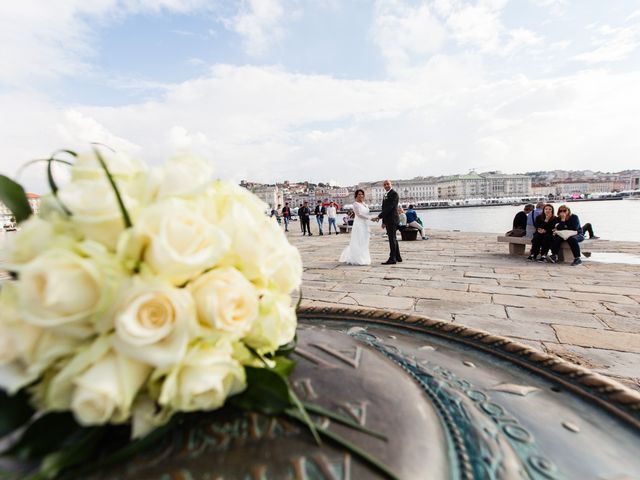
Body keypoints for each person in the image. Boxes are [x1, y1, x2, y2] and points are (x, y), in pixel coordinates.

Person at [340, 190, 375, 265]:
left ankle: (364, 257)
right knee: (359, 240)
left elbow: (366, 213)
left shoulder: (364, 204)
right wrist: (370, 218)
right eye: (359, 194)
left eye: (362, 194)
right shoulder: (355, 204)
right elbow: (359, 215)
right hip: (358, 224)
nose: (361, 195)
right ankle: (357, 258)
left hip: (365, 224)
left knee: (365, 240)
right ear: (356, 196)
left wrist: (373, 218)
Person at [374, 179, 401, 264]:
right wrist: (383, 222)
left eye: (387, 184)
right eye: (385, 184)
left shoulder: (394, 194)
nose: (386, 186)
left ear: (391, 184)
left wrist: (379, 216)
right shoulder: (386, 194)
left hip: (392, 219)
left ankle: (392, 259)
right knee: (393, 238)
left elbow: (390, 208)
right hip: (389, 220)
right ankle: (398, 257)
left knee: (392, 239)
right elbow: (384, 208)